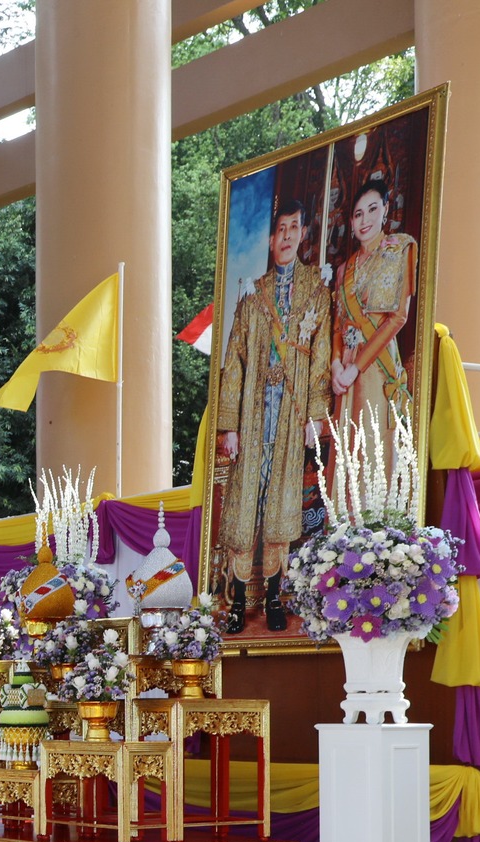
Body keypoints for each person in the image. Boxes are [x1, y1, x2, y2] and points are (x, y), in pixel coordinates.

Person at [213, 189, 332, 634]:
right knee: (246, 507)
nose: (285, 237)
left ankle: (277, 598)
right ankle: (239, 601)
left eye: (293, 229)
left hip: (290, 415)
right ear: (271, 240)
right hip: (251, 417)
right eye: (278, 230)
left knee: (282, 504)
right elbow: (234, 363)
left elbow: (321, 359)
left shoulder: (317, 296)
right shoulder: (251, 299)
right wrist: (229, 424)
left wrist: (314, 416)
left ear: (303, 235)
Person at [330, 171, 418, 469]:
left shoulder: (400, 250)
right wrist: (336, 364)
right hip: (346, 371)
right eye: (357, 214)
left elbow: (398, 318)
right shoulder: (344, 270)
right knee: (346, 451)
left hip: (376, 366)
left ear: (385, 211)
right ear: (351, 222)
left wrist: (356, 368)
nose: (364, 219)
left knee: (373, 446)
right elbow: (338, 324)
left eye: (372, 209)